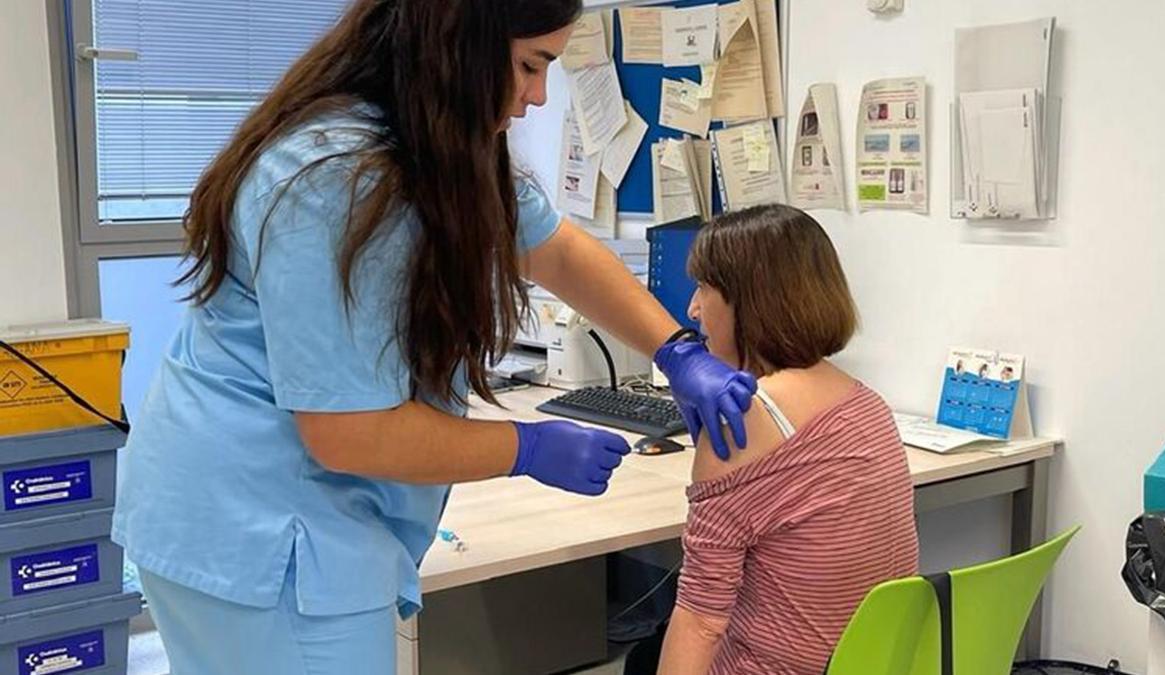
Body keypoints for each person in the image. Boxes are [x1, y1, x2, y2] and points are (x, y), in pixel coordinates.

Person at [111, 2, 755, 673]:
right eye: (530, 65)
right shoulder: (335, 175)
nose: (537, 96)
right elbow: (347, 431)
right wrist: (526, 445)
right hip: (258, 530)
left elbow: (556, 250)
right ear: (456, 44)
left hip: (256, 513)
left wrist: (675, 347)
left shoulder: (437, 144)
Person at [656, 204, 919, 675]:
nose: (693, 308)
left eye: (704, 288)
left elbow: (701, 622)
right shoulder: (867, 403)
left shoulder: (743, 419)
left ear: (749, 300)